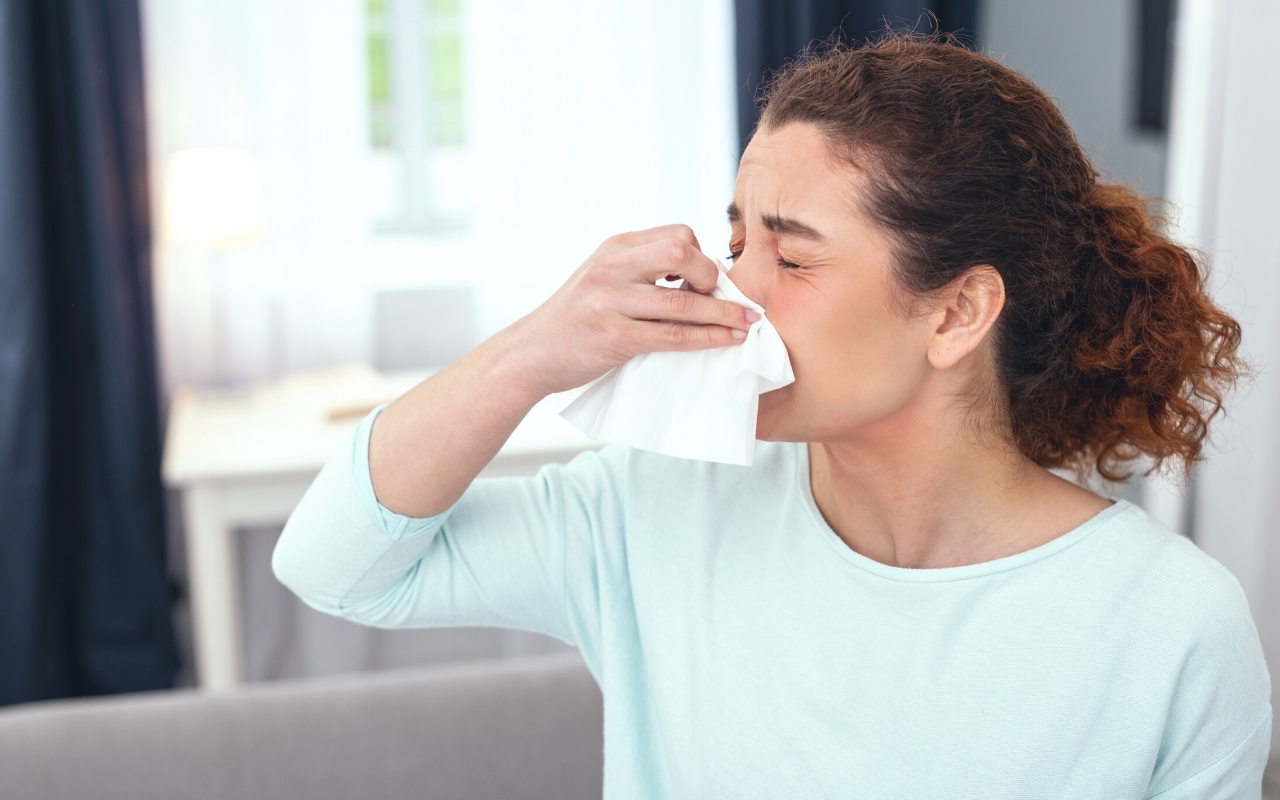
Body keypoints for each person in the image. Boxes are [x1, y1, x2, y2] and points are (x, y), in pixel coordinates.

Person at [273, 36, 1270, 798]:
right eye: (735, 242)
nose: (734, 290)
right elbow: (335, 565)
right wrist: (534, 350)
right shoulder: (654, 504)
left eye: (790, 257)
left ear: (957, 312)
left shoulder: (1168, 625)